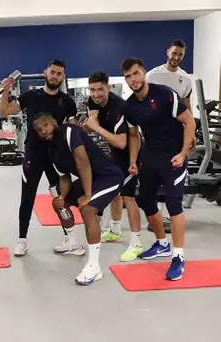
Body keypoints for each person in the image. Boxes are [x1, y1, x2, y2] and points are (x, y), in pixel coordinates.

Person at [121, 57, 196, 280]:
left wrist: (183, 154)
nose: (133, 79)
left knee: (173, 204)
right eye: (128, 76)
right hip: (150, 157)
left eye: (135, 73)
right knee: (144, 199)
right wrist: (133, 159)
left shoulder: (164, 94)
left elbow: (189, 122)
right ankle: (162, 243)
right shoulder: (130, 106)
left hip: (173, 157)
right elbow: (134, 134)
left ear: (143, 72)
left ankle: (178, 256)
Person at [0, 59, 80, 257]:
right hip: (33, 153)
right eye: (52, 72)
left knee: (61, 198)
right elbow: (4, 112)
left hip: (56, 155)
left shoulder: (67, 102)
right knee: (27, 197)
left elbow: (73, 131)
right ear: (45, 72)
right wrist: (5, 91)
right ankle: (22, 240)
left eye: (59, 74)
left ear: (63, 76)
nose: (55, 76)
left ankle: (71, 238)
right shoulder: (31, 95)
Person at [34, 113, 124, 285]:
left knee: (87, 209)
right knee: (58, 204)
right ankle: (72, 243)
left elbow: (82, 161)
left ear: (54, 122)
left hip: (109, 177)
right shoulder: (52, 151)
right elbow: (65, 178)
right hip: (89, 179)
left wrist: (87, 195)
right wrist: (62, 197)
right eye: (39, 129)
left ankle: (94, 266)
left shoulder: (69, 131)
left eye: (46, 125)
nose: (44, 130)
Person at [83, 71, 144, 262]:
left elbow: (123, 142)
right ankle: (116, 230)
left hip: (132, 152)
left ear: (108, 87)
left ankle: (136, 243)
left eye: (100, 89)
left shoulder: (119, 107)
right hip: (115, 152)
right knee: (115, 192)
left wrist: (95, 128)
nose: (96, 94)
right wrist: (86, 126)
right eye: (92, 90)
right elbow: (90, 125)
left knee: (128, 196)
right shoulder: (93, 102)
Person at [145, 39, 195, 231]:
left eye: (180, 55)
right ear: (168, 52)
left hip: (176, 134)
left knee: (173, 173)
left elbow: (187, 107)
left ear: (183, 56)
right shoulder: (152, 75)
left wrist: (191, 135)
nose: (176, 57)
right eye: (174, 53)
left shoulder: (186, 79)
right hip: (154, 133)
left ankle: (168, 215)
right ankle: (156, 214)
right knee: (154, 173)